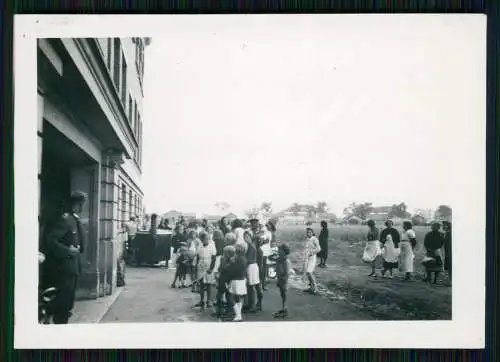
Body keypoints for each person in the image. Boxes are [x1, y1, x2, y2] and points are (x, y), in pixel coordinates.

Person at [41, 191, 87, 324]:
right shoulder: (66, 220)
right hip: (64, 269)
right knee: (63, 304)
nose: (82, 207)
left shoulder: (75, 219)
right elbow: (50, 241)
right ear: (76, 205)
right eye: (81, 204)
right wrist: (67, 250)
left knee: (67, 303)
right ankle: (50, 317)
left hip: (73, 268)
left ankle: (58, 319)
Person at [212, 245, 236, 319]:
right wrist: (217, 275)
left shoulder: (232, 261)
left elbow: (231, 272)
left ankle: (230, 312)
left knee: (228, 297)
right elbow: (220, 268)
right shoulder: (223, 259)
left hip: (228, 280)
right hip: (222, 280)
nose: (223, 254)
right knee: (219, 296)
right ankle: (220, 311)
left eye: (225, 252)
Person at [194, 232, 217, 309]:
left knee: (209, 284)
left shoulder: (212, 247)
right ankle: (201, 300)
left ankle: (209, 300)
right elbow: (197, 257)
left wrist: (211, 268)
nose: (206, 240)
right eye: (205, 239)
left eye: (207, 239)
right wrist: (196, 266)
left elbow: (214, 259)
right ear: (202, 240)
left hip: (208, 265)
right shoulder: (199, 246)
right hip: (201, 266)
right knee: (201, 284)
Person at [243, 229, 263, 313]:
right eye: (244, 237)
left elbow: (249, 260)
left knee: (251, 287)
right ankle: (253, 304)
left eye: (247, 236)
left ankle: (252, 306)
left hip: (251, 267)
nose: (245, 238)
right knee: (253, 286)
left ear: (250, 237)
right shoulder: (250, 245)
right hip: (253, 266)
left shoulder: (251, 246)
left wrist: (243, 263)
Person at [228, 243, 248, 322]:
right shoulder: (243, 258)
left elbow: (234, 270)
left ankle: (238, 315)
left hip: (236, 280)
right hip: (242, 280)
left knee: (231, 297)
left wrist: (231, 264)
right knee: (238, 297)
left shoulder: (239, 259)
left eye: (236, 249)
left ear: (239, 250)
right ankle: (238, 314)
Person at [273, 243, 292, 318]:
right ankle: (284, 308)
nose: (278, 252)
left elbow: (287, 273)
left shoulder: (286, 261)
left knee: (284, 294)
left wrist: (286, 282)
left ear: (284, 252)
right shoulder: (280, 259)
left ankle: (285, 309)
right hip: (280, 278)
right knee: (282, 293)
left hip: (284, 279)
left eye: (280, 250)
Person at [303, 227, 321, 294]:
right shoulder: (307, 239)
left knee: (309, 272)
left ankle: (315, 288)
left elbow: (319, 249)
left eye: (310, 232)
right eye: (307, 232)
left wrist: (312, 252)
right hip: (307, 257)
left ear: (313, 233)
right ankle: (311, 288)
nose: (308, 233)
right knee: (307, 273)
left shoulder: (315, 239)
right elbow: (306, 248)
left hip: (312, 257)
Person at [259, 223, 272, 290]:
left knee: (264, 269)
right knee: (260, 269)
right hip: (259, 253)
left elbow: (266, 241)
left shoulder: (268, 233)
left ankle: (263, 285)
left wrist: (260, 240)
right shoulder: (258, 233)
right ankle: (261, 285)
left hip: (265, 253)